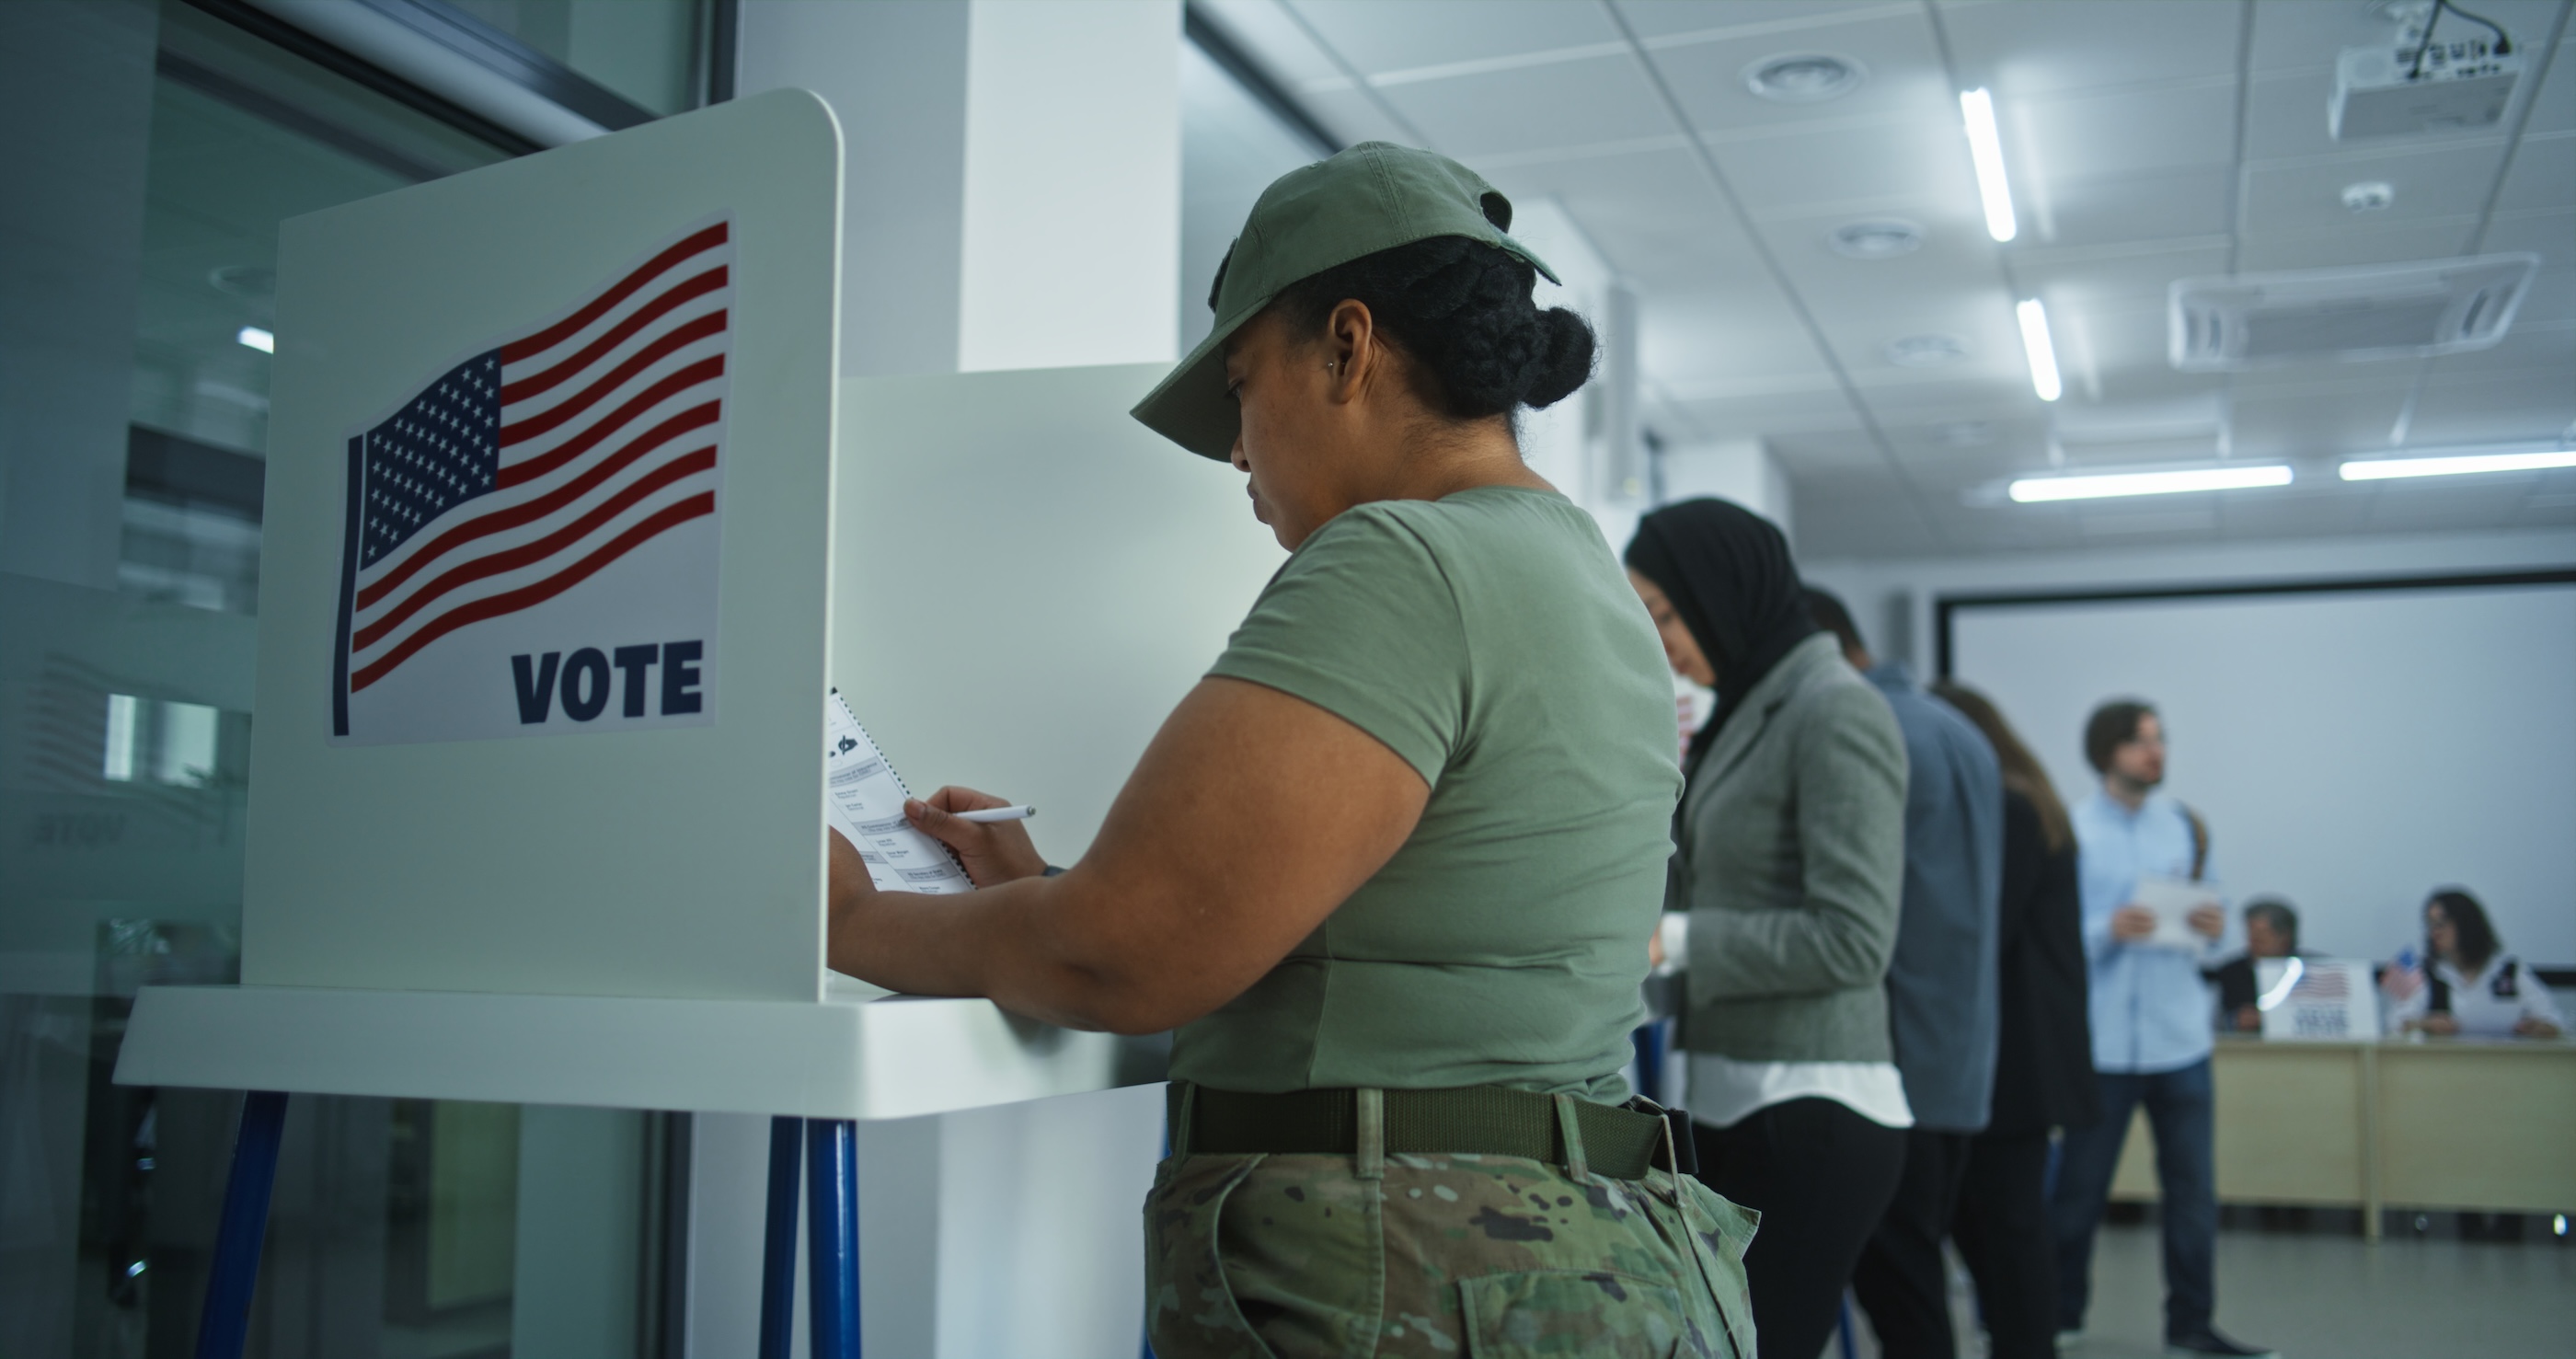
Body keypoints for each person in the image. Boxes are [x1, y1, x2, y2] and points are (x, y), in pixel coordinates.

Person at [823, 143, 1754, 1358]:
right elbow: (1398, 946)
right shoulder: (1573, 566)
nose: (1237, 455)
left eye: (1243, 386)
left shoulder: (1406, 561)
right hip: (1569, 1256)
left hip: (1421, 1266)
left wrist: (847, 915)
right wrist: (1051, 896)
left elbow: (1125, 959)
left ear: (1348, 346)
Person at [1626, 501, 1909, 1359]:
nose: (1661, 639)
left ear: (1723, 593)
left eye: (1667, 613)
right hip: (1739, 1094)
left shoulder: (1834, 712)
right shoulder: (1745, 711)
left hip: (1813, 1104)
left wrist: (1671, 943)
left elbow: (1854, 938)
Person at [1803, 588, 2002, 1359]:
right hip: (1953, 1055)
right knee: (1912, 1279)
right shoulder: (1956, 727)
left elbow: (1856, 922)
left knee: (1902, 1286)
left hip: (1899, 1058)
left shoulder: (1874, 727)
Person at [2048, 700, 2272, 1359]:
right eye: (2140, 742)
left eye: (2159, 740)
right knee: (2078, 1193)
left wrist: (2216, 925)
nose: (2156, 752)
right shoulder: (2074, 829)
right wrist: (2106, 929)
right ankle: (2059, 1318)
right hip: (2105, 1045)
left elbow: (2222, 922)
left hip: (2182, 1040)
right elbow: (2055, 937)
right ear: (2106, 752)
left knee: (2194, 1195)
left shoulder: (2185, 827)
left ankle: (2191, 1326)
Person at [1928, 681, 2101, 1359]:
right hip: (2025, 1053)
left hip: (2014, 1057)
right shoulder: (2030, 802)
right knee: (2000, 1222)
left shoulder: (2009, 808)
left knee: (2008, 1223)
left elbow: (1984, 928)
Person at [2386, 889, 2566, 1039]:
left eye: (2441, 923)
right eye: (2430, 924)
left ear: (2466, 924)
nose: (2434, 932)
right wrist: (2424, 1023)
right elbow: (2394, 1023)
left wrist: (2541, 1028)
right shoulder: (2423, 971)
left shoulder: (2510, 971)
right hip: (2442, 1069)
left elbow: (2555, 1021)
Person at [2209, 898, 2300, 1032]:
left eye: (2260, 937)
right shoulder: (2230, 972)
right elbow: (2214, 1020)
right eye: (2250, 935)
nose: (2252, 943)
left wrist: (2274, 1018)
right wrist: (2235, 1020)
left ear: (2284, 937)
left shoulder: (2314, 970)